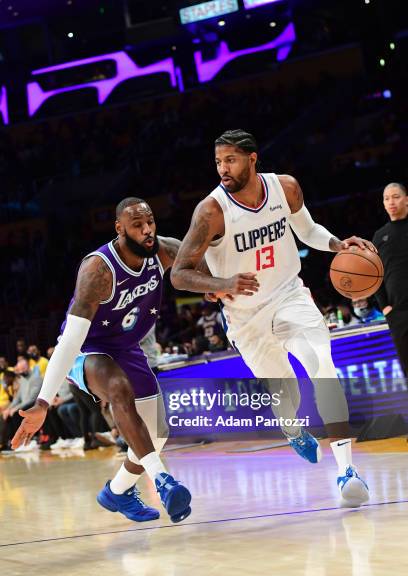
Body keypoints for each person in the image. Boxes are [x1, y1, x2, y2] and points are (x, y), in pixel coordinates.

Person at [171, 129, 376, 507]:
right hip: (245, 317)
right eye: (218, 162)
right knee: (288, 396)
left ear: (252, 158)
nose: (222, 169)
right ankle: (291, 426)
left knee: (320, 362)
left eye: (229, 160)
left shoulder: (285, 188)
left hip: (288, 295)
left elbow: (308, 231)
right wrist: (223, 281)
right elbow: (180, 273)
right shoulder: (211, 210)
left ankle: (348, 470)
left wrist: (336, 245)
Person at [11, 197, 198, 523]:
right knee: (117, 388)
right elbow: (70, 340)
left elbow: (202, 261)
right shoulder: (98, 270)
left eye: (149, 221)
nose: (147, 230)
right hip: (87, 349)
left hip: (127, 347)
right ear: (119, 229)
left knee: (156, 434)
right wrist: (43, 401)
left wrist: (218, 287)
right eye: (137, 225)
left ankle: (117, 491)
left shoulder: (163, 251)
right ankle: (164, 481)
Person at [373, 182, 408, 375]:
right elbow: (375, 276)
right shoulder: (380, 236)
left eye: (396, 196)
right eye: (386, 198)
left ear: (406, 199)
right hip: (398, 313)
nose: (391, 202)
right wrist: (385, 307)